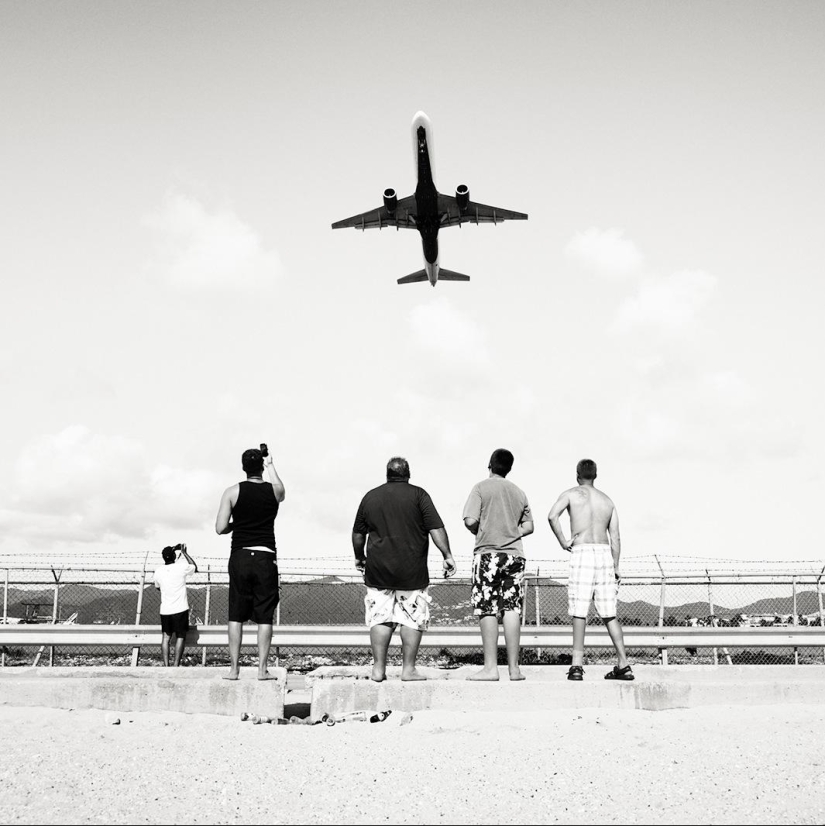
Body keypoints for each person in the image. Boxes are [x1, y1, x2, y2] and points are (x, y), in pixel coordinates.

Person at [352, 456, 456, 682]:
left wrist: (360, 557)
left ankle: (378, 669)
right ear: (408, 474)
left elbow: (358, 533)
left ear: (387, 474)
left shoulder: (371, 496)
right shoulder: (419, 495)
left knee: (381, 618)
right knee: (411, 618)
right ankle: (408, 669)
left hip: (378, 570)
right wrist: (447, 555)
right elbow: (436, 527)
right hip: (412, 570)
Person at [547, 459, 633, 681]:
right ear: (596, 475)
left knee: (579, 610)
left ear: (577, 474)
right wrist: (616, 565)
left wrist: (563, 541)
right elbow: (615, 536)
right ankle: (623, 663)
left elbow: (551, 515)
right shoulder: (607, 501)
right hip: (604, 553)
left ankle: (576, 666)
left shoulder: (570, 494)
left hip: (583, 550)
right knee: (609, 612)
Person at [462, 448, 533, 681]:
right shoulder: (519, 492)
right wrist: (512, 531)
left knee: (487, 607)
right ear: (509, 468)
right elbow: (529, 526)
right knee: (511, 608)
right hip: (514, 555)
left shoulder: (480, 488)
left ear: (489, 465)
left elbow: (470, 520)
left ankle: (491, 668)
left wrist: (481, 529)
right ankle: (514, 669)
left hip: (487, 554)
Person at [215, 445, 285, 681]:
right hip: (265, 556)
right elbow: (282, 491)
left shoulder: (232, 492)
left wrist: (239, 524)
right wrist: (271, 465)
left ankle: (234, 670)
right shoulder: (273, 491)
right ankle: (262, 670)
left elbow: (220, 528)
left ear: (243, 467)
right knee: (264, 616)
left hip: (241, 555)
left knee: (236, 613)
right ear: (261, 467)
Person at [152, 543, 198, 667]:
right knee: (180, 636)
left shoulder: (158, 571)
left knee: (166, 637)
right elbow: (194, 567)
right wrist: (184, 553)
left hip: (166, 609)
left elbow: (158, 587)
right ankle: (176, 665)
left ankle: (166, 665)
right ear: (174, 556)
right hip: (180, 608)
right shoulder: (181, 567)